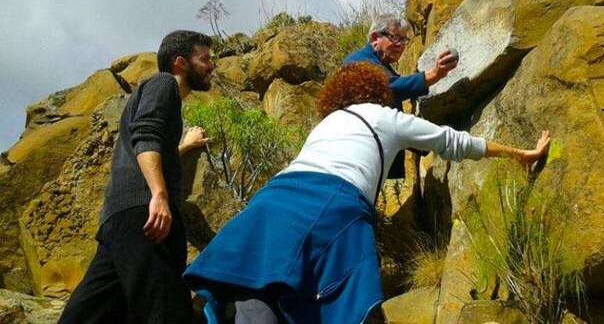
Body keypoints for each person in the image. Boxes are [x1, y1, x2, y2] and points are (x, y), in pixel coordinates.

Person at [184, 62, 551, 324]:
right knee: (342, 306)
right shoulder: (383, 116)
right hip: (329, 204)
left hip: (270, 203)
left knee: (257, 288)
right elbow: (452, 141)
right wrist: (521, 154)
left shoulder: (327, 122)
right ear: (379, 93)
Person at [59, 30, 216, 324]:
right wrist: (159, 195)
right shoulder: (163, 83)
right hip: (147, 217)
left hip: (118, 220)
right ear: (180, 62)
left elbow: (143, 146)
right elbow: (146, 134)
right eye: (204, 59)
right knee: (165, 309)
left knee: (88, 313)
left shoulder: (148, 94)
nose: (211, 65)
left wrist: (183, 146)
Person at [343, 14, 458, 178]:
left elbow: (392, 119)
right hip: (358, 156)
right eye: (395, 38)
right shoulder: (357, 62)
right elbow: (387, 87)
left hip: (374, 158)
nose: (401, 45)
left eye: (404, 40)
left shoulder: (381, 66)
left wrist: (426, 144)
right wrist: (434, 74)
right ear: (376, 37)